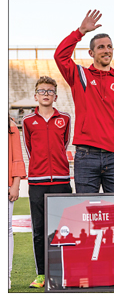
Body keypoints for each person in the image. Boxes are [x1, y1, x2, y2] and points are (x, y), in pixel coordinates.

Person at [54, 9, 114, 193]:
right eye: (101, 47)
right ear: (91, 52)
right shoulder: (80, 76)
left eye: (109, 46)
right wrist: (80, 32)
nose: (106, 50)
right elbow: (60, 56)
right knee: (86, 212)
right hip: (86, 155)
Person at [22, 76, 72, 288]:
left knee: (65, 229)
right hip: (37, 182)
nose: (46, 94)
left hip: (61, 180)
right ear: (35, 95)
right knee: (40, 230)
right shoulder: (26, 121)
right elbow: (29, 149)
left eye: (50, 91)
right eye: (42, 90)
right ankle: (42, 274)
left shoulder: (65, 119)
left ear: (55, 96)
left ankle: (64, 271)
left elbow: (65, 143)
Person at [8, 115, 27, 289]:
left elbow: (17, 156)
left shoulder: (10, 125)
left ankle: (5, 276)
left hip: (6, 185)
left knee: (6, 230)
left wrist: (15, 184)